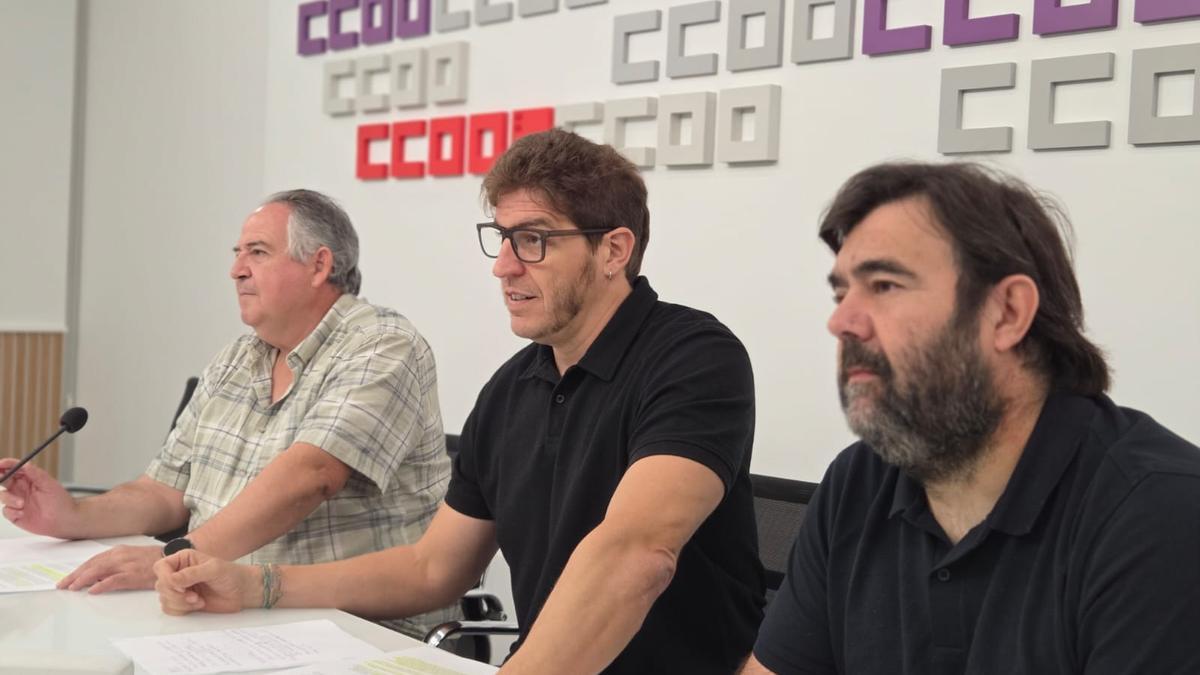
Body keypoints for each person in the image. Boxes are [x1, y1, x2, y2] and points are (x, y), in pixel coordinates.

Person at [153, 129, 765, 673]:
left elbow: (637, 554)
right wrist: (255, 584)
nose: (503, 267)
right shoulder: (510, 390)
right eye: (502, 239)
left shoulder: (694, 358)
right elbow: (433, 569)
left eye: (533, 241)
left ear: (613, 250)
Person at [744, 162, 1200, 674]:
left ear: (1006, 312)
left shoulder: (1163, 512)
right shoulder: (858, 482)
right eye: (841, 292)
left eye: (885, 285)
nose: (841, 321)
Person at [0, 189, 453, 636]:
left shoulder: (383, 345)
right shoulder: (236, 358)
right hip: (220, 610)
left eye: (257, 252)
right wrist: (73, 516)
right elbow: (163, 491)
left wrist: (175, 558)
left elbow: (311, 475)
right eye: (238, 254)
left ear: (319, 265)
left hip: (347, 627)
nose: (236, 271)